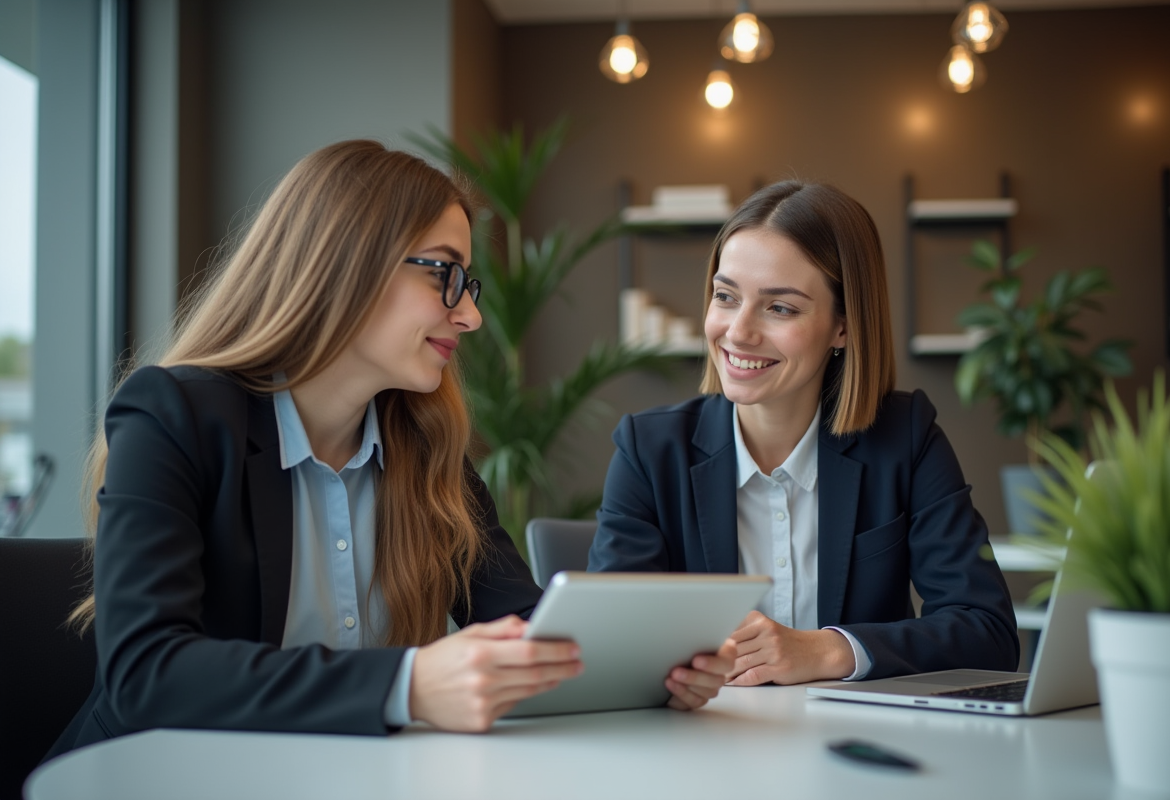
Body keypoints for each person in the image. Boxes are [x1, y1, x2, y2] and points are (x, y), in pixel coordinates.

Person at [48, 141, 733, 759]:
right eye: (446, 274)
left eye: (469, 285)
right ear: (347, 260)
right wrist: (408, 682)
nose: (469, 316)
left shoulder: (428, 451)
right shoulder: (175, 416)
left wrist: (649, 671)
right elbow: (146, 673)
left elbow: (525, 632)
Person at [589, 180, 1019, 685]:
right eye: (726, 297)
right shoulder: (649, 450)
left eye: (780, 307)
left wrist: (828, 650)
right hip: (704, 743)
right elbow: (609, 645)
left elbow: (987, 633)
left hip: (861, 746)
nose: (739, 331)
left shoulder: (905, 438)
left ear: (844, 325)